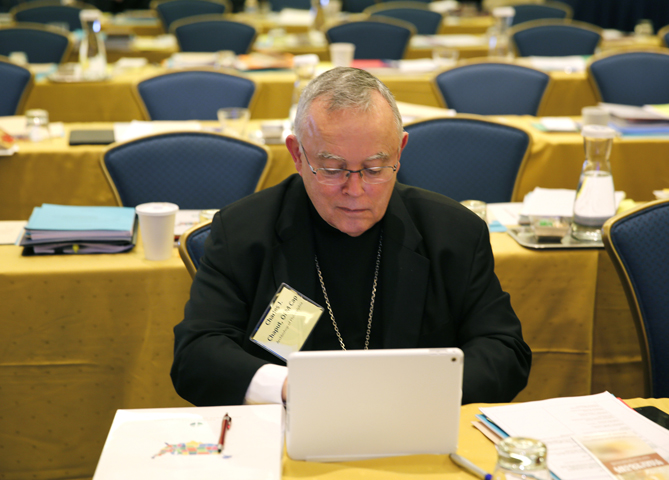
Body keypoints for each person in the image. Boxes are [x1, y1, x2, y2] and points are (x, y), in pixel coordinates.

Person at [171, 67, 531, 406]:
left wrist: (419, 389)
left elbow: (505, 351)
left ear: (400, 151)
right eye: (332, 169)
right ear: (297, 154)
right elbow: (196, 355)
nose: (355, 190)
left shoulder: (453, 232)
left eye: (374, 169)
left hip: (417, 432)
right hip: (289, 434)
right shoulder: (243, 231)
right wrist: (289, 387)